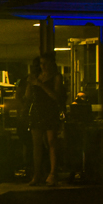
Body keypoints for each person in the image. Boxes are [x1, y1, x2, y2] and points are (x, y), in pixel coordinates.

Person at [27, 53, 66, 186]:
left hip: (50, 111)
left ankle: (52, 173)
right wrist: (30, 84)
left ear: (51, 64)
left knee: (51, 142)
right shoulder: (37, 76)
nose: (43, 66)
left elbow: (56, 96)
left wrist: (40, 84)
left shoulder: (56, 77)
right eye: (41, 63)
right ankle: (37, 174)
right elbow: (28, 96)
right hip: (37, 111)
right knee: (36, 145)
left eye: (46, 63)